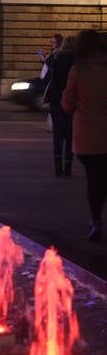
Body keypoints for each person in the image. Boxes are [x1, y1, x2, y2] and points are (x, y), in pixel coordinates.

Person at [61, 30, 107, 242]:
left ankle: (96, 220)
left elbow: (68, 104)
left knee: (94, 180)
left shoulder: (78, 70)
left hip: (88, 136)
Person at [44, 35, 75, 176]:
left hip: (56, 100)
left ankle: (57, 164)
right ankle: (68, 165)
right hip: (72, 101)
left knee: (57, 133)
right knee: (70, 135)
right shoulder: (78, 60)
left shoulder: (56, 58)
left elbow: (46, 77)